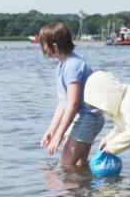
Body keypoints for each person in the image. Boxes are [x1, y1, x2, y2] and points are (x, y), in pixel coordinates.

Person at [37, 22, 104, 168]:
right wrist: (51, 130)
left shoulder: (73, 66)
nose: (42, 47)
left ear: (54, 45)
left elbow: (73, 104)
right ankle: (86, 182)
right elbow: (63, 103)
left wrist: (59, 136)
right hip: (85, 117)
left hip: (89, 117)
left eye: (43, 43)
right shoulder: (62, 66)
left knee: (65, 166)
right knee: (79, 166)